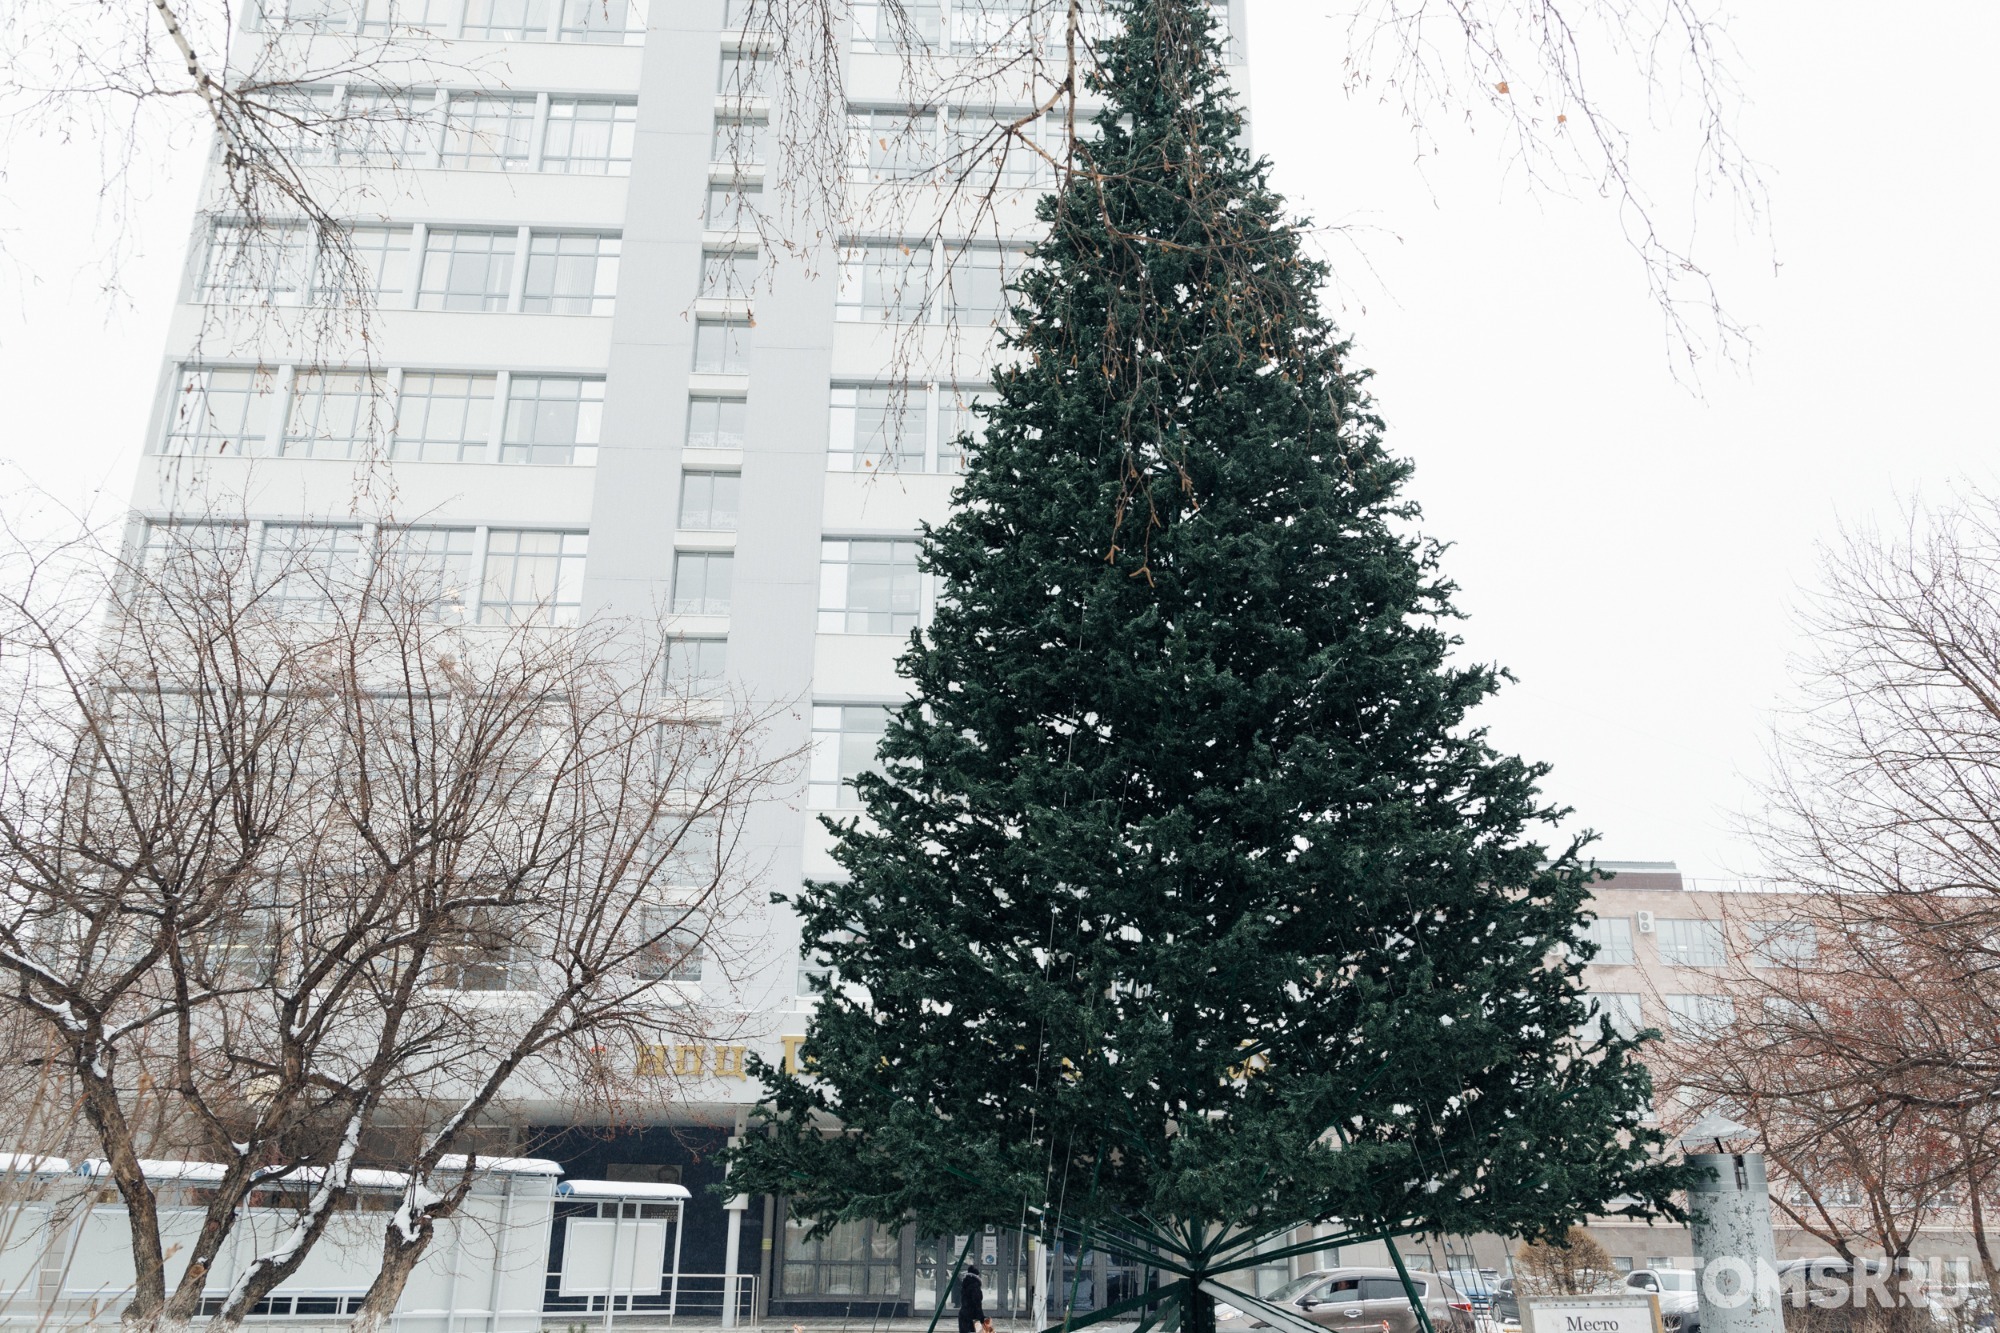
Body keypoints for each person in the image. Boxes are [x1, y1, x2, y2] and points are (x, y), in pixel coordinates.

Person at [958, 1268, 986, 1333]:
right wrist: (981, 1317)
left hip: (963, 1314)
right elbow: (977, 1303)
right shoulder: (975, 1286)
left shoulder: (965, 1285)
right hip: (973, 1316)